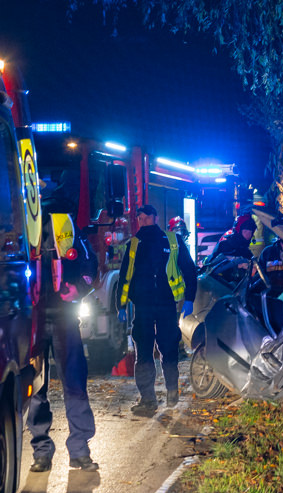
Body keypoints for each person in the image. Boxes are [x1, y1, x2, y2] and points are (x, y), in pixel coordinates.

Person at [28, 196, 100, 472]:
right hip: (33, 320)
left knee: (74, 383)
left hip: (62, 318)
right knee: (36, 387)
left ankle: (80, 450)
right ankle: (41, 452)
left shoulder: (63, 223)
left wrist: (78, 289)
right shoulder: (20, 224)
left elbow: (88, 264)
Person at [116, 204, 198, 416]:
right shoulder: (134, 244)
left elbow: (190, 270)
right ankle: (147, 400)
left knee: (169, 348)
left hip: (166, 304)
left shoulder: (172, 241)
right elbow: (125, 276)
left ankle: (172, 389)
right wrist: (121, 305)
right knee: (143, 352)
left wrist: (189, 299)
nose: (142, 221)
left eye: (145, 218)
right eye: (139, 218)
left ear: (155, 217)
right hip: (142, 306)